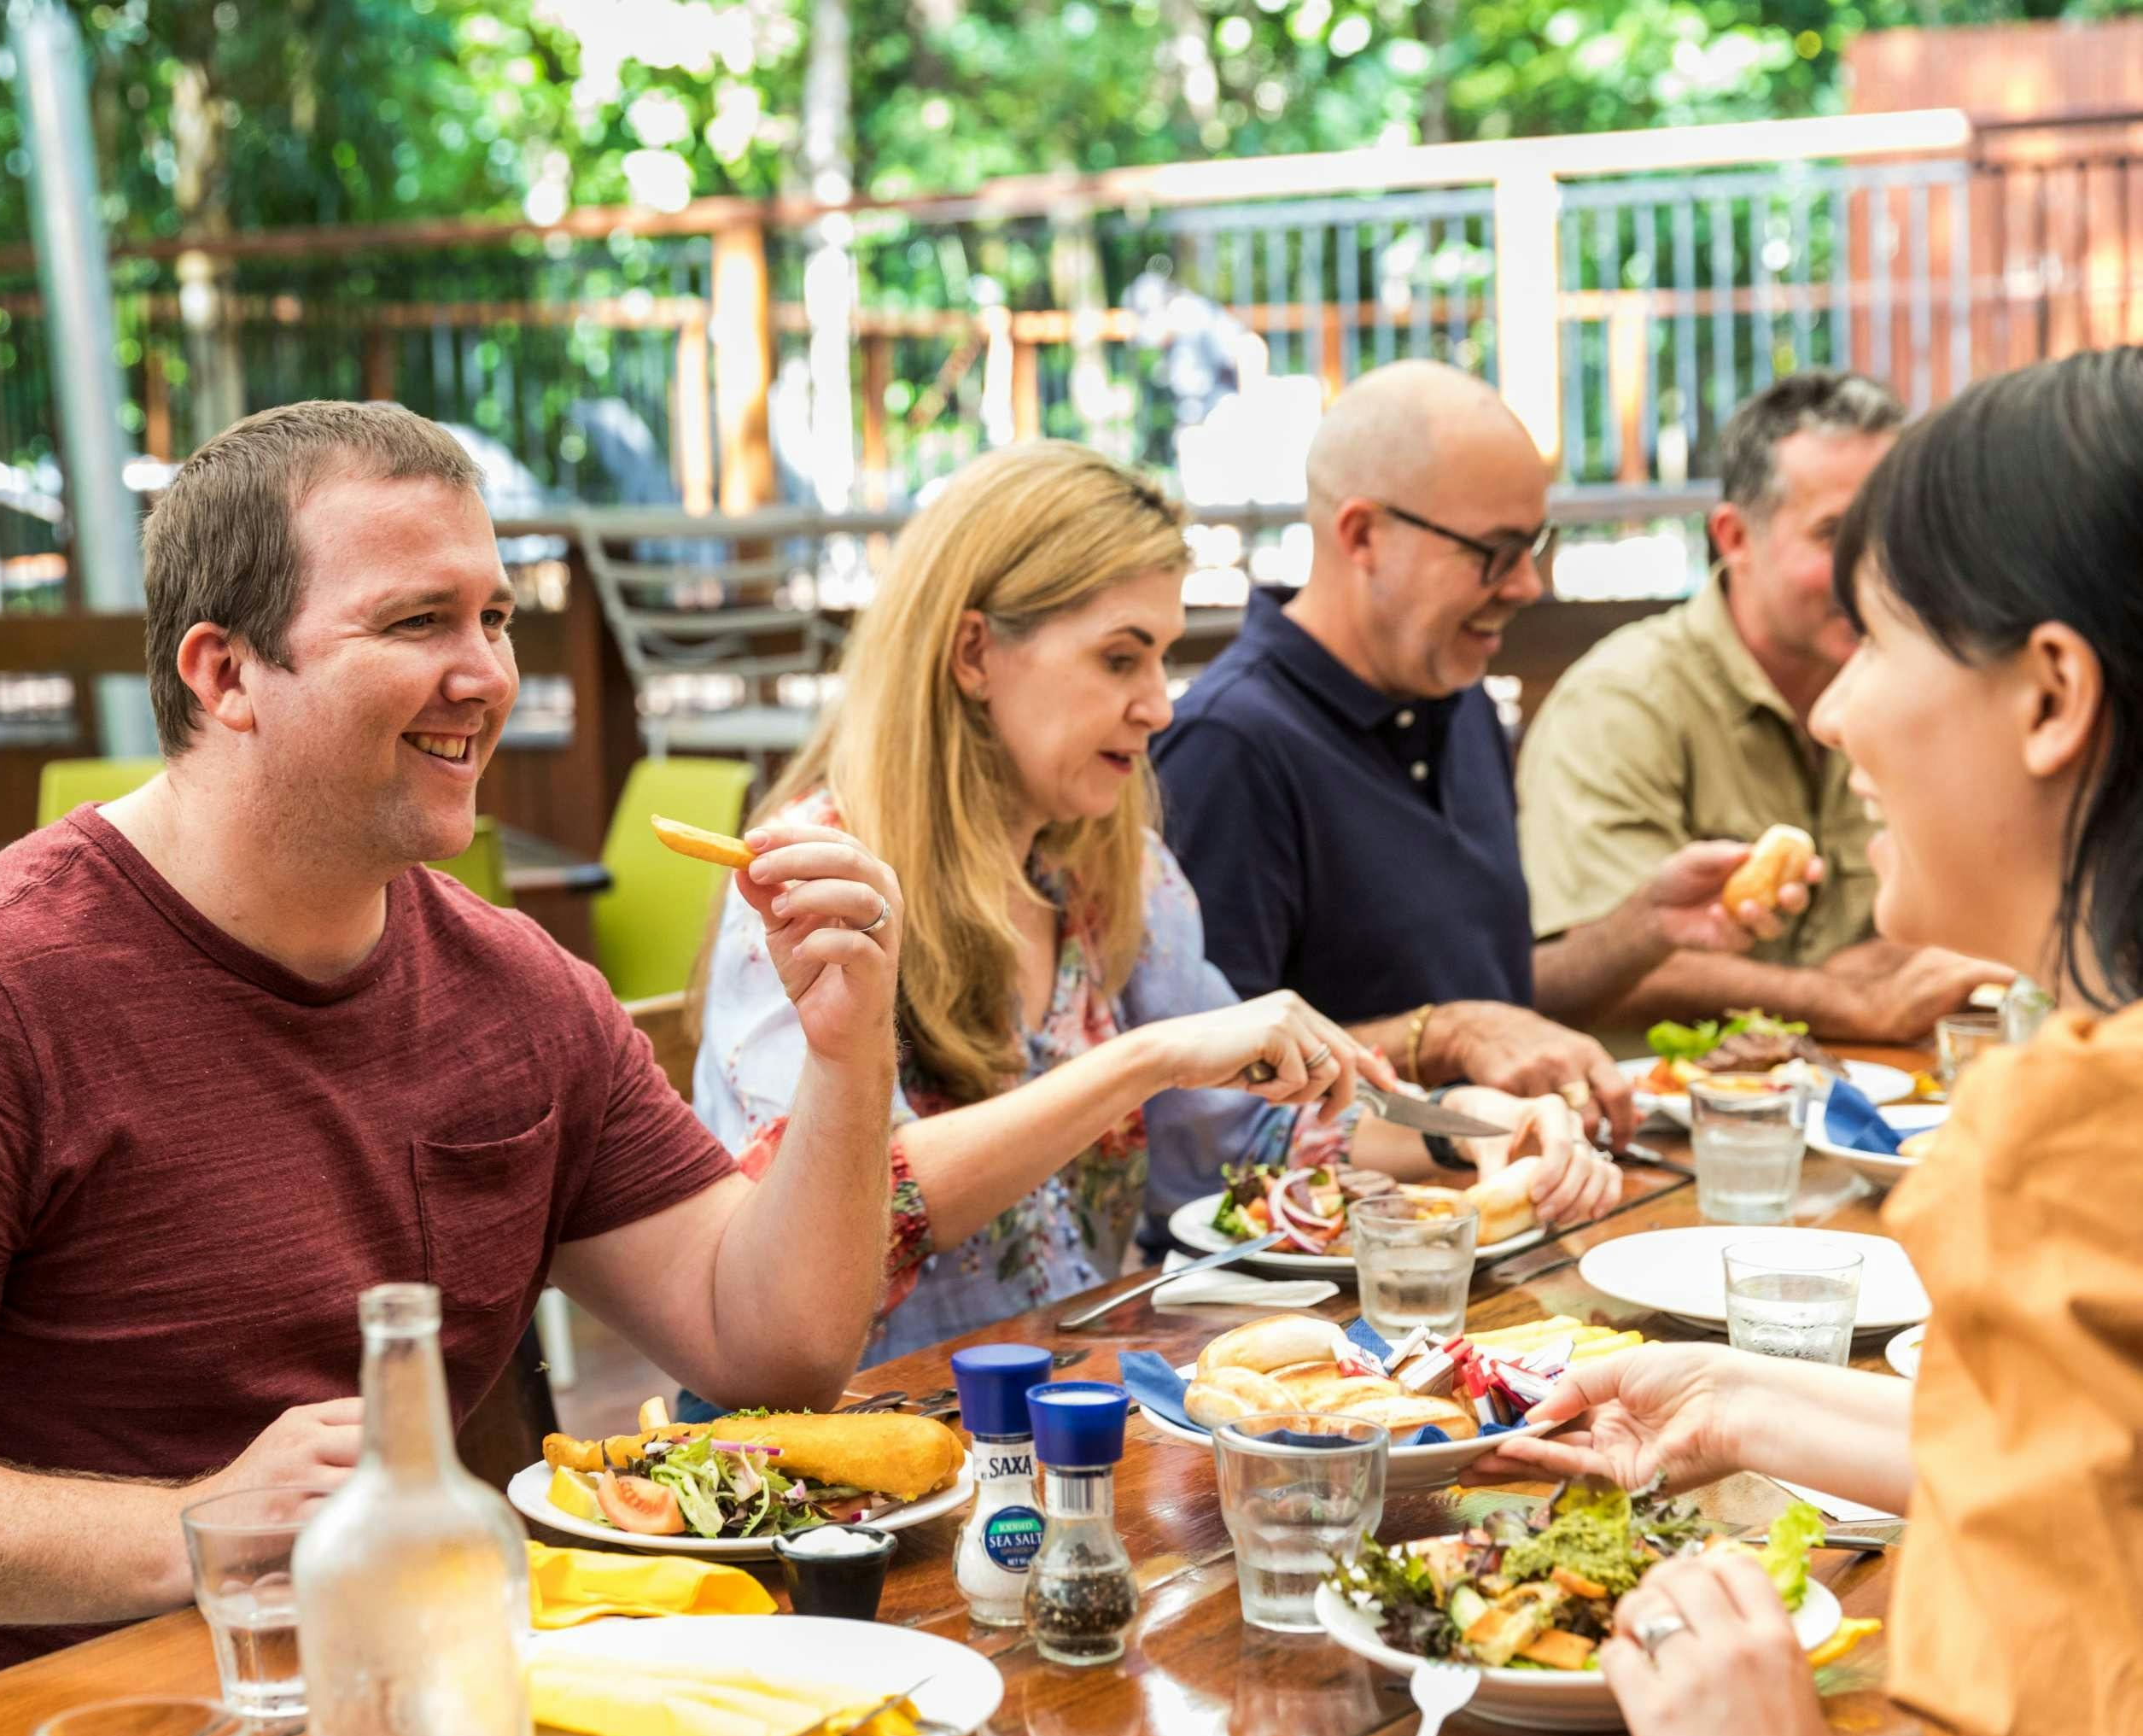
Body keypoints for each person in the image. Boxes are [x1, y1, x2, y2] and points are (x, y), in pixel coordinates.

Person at [0, 402, 909, 1712]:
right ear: (223, 676)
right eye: (415, 621)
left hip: (363, 1717)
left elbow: (768, 1349)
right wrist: (197, 1527)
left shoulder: (522, 992)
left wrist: (843, 1053)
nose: (488, 674)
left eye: (494, 618)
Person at [1477, 348, 2143, 1736]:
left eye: (1882, 638)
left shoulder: (2082, 1142)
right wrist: (1726, 1400)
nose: (1834, 712)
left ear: (2049, 696)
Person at [693, 441, 1621, 1365]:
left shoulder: (1112, 875)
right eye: (1117, 659)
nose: (1159, 706)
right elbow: (848, 1218)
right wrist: (1142, 1062)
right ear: (974, 651)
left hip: (1070, 1415)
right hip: (841, 1452)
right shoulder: (807, 885)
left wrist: (1470, 1126)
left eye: (1162, 659)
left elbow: (1245, 1140)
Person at [1153, 361, 1817, 1153]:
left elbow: (1501, 1004)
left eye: (1534, 545)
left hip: (1522, 1193)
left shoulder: (1456, 695)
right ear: (1361, 535)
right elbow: (1207, 1086)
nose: (1529, 585)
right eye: (1496, 552)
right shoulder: (1229, 743)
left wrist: (1647, 929)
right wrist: (1446, 1034)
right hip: (1344, 1243)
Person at [1517, 371, 2006, 1043]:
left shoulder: (1916, 685)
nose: (1873, 569)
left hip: (1872, 1102)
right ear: (1734, 538)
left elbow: (1969, 912)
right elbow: (1611, 965)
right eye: (1833, 534)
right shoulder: (1619, 702)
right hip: (1671, 1124)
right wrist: (1846, 1001)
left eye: (1892, 530)